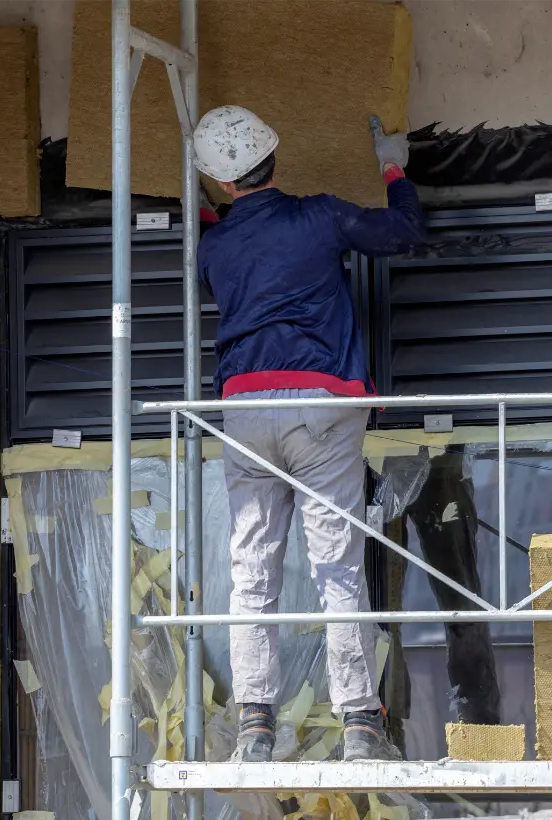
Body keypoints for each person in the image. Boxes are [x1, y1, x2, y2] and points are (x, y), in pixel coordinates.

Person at [192, 105, 424, 763]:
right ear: (276, 156)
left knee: (252, 571)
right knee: (337, 568)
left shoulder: (214, 246)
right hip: (320, 408)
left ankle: (255, 726)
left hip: (244, 413)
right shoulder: (321, 215)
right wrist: (393, 167)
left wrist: (207, 202)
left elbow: (227, 250)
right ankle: (358, 724)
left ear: (224, 182)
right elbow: (406, 230)